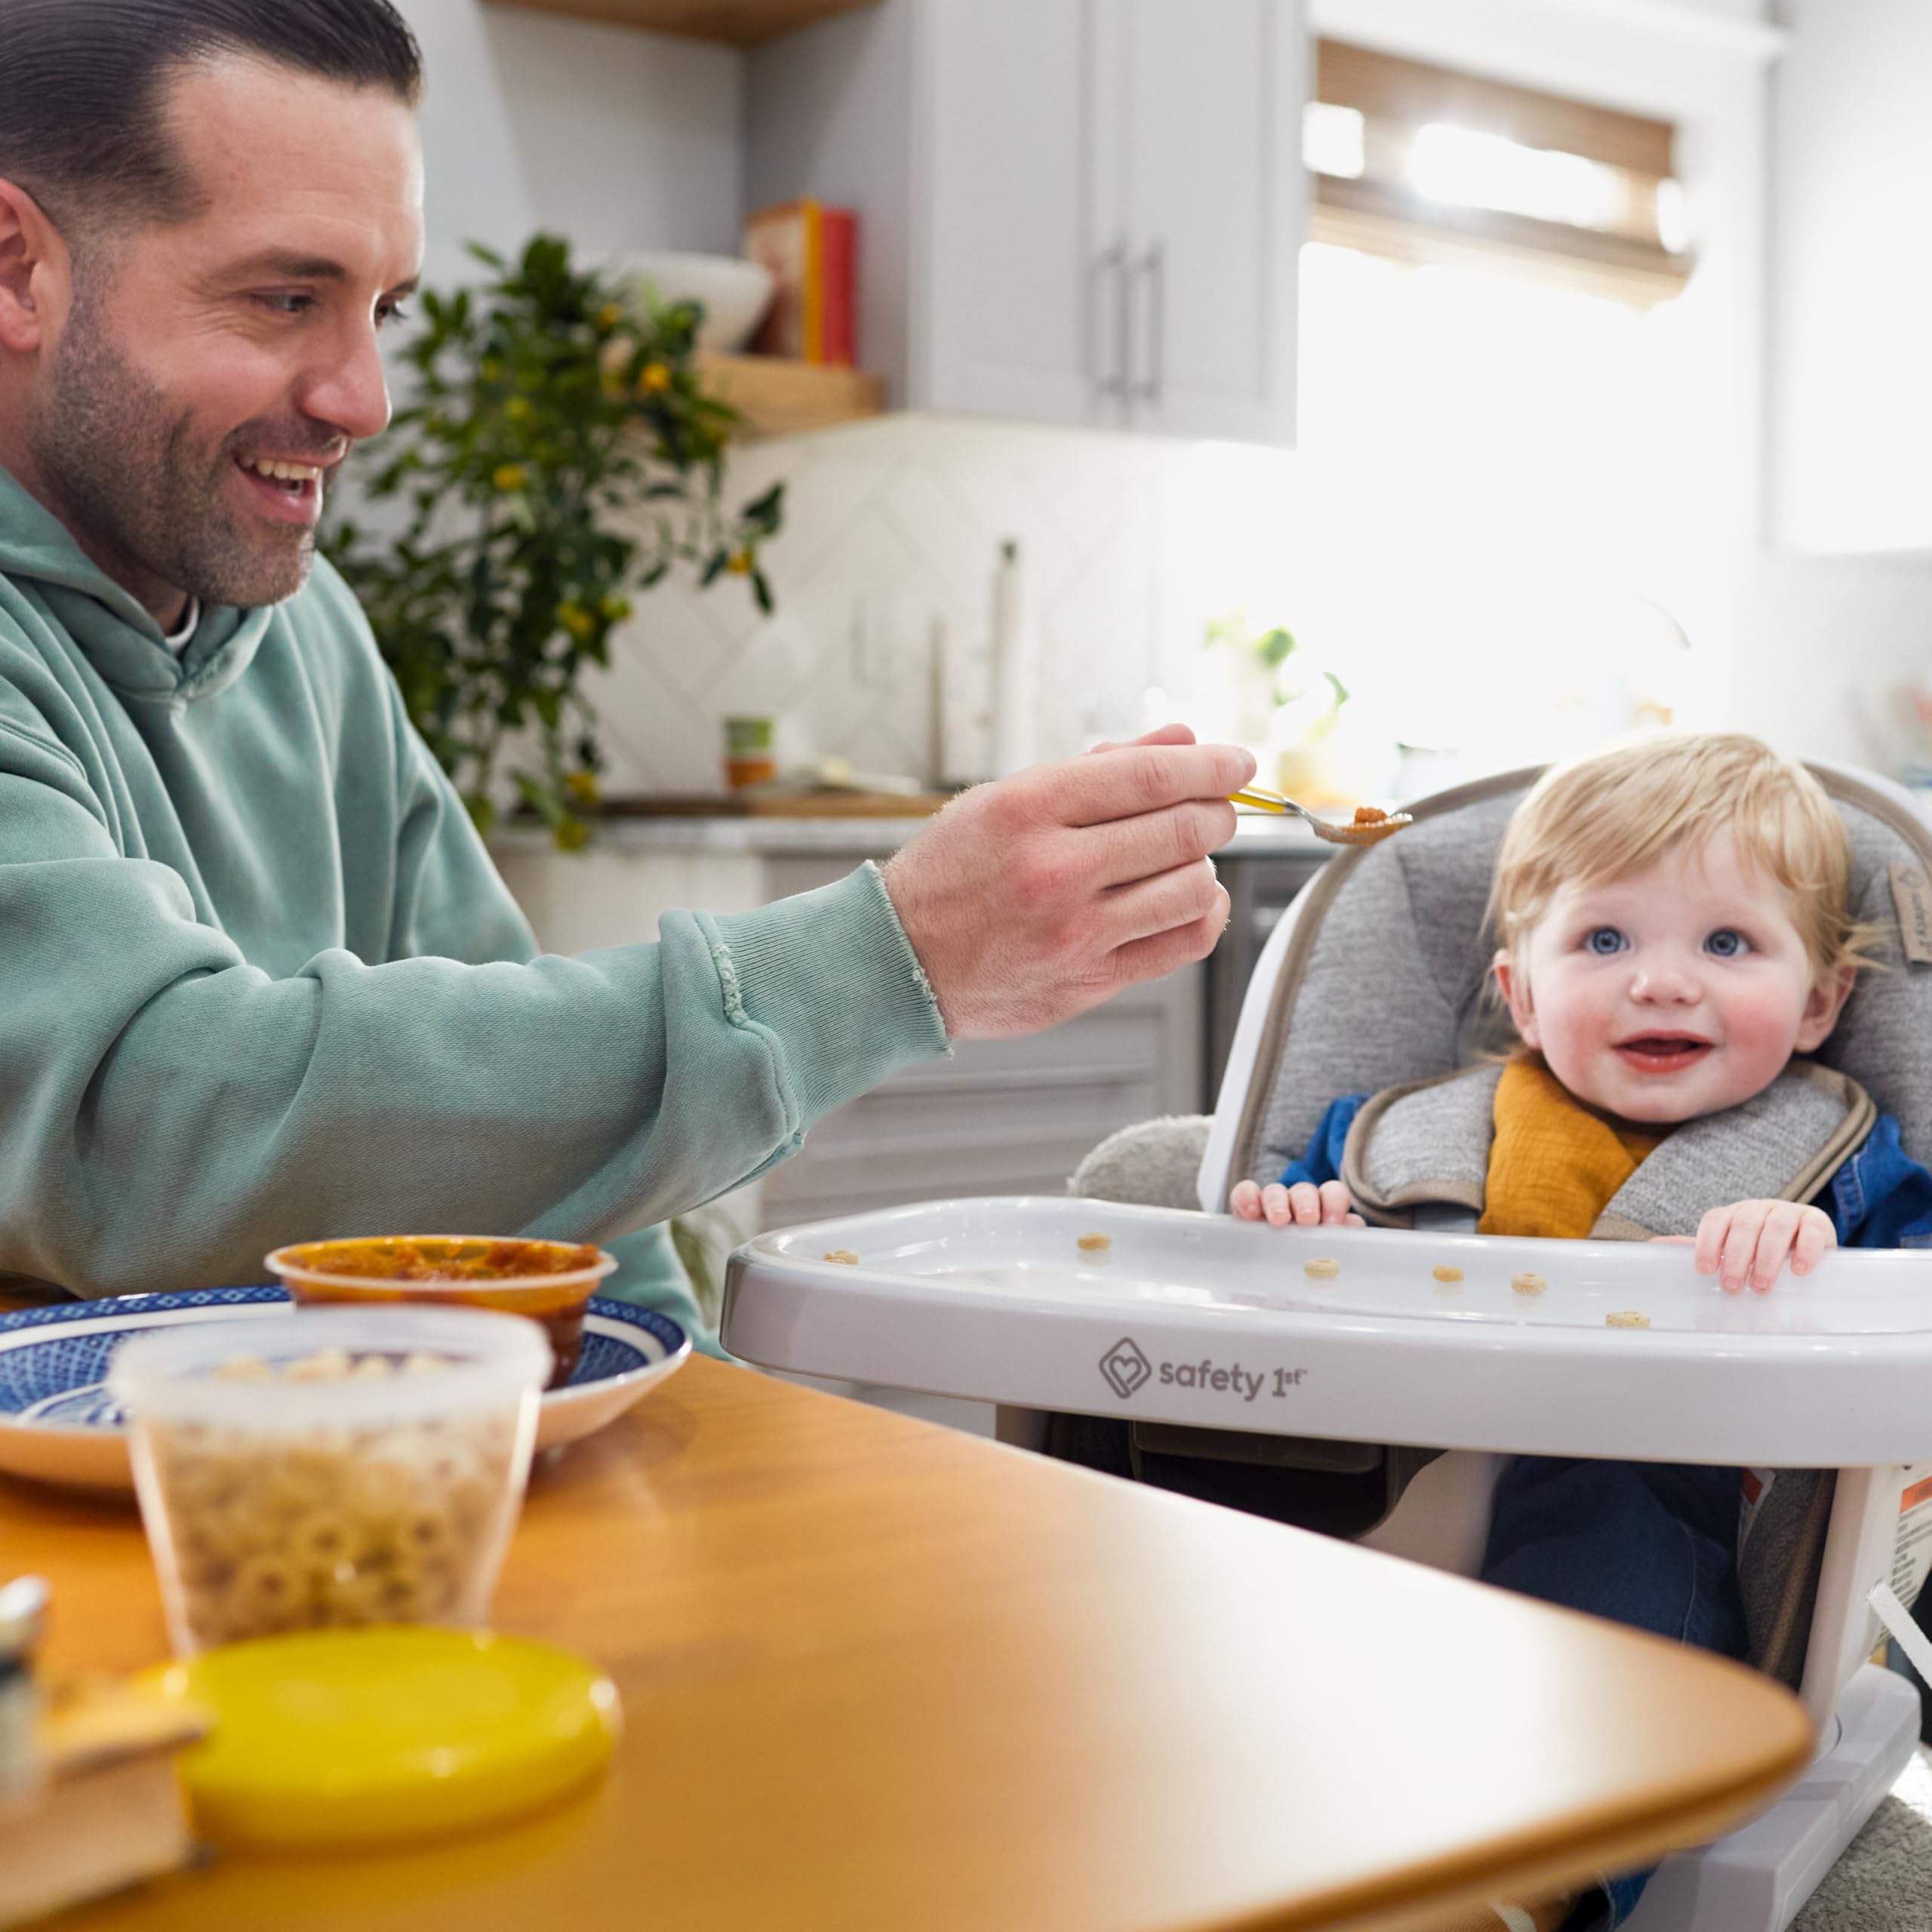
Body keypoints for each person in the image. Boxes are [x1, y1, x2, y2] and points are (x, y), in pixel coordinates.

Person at [0, 0, 1252, 1350]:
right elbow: (143, 1128)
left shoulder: (311, 632)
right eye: (285, 299)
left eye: (382, 310)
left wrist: (685, 1385)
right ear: (18, 272)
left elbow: (532, 1163)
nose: (364, 398)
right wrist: (892, 955)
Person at [1232, 731, 1932, 1930]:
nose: (1660, 983)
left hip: (1669, 1518)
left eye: (1727, 944)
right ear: (1519, 993)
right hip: (1387, 1500)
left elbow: (1911, 1306)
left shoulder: (1841, 1166)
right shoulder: (1385, 1135)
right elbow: (1258, 1284)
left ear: (1820, 1002)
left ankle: (1534, 1874)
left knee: (1609, 1532)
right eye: (1604, 941)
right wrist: (1296, 1226)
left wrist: (1812, 1255)